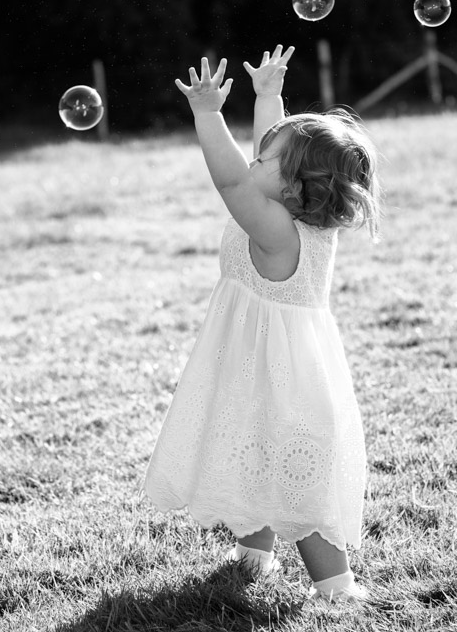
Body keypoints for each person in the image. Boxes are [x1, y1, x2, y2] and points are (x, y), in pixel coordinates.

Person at [143, 45, 383, 603]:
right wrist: (269, 97)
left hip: (280, 379)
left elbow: (234, 182)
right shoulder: (300, 215)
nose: (254, 160)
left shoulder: (273, 228)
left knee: (295, 474)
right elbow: (262, 165)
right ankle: (254, 555)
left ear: (296, 188)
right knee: (251, 454)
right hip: (273, 367)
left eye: (266, 158)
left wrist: (207, 114)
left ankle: (336, 584)